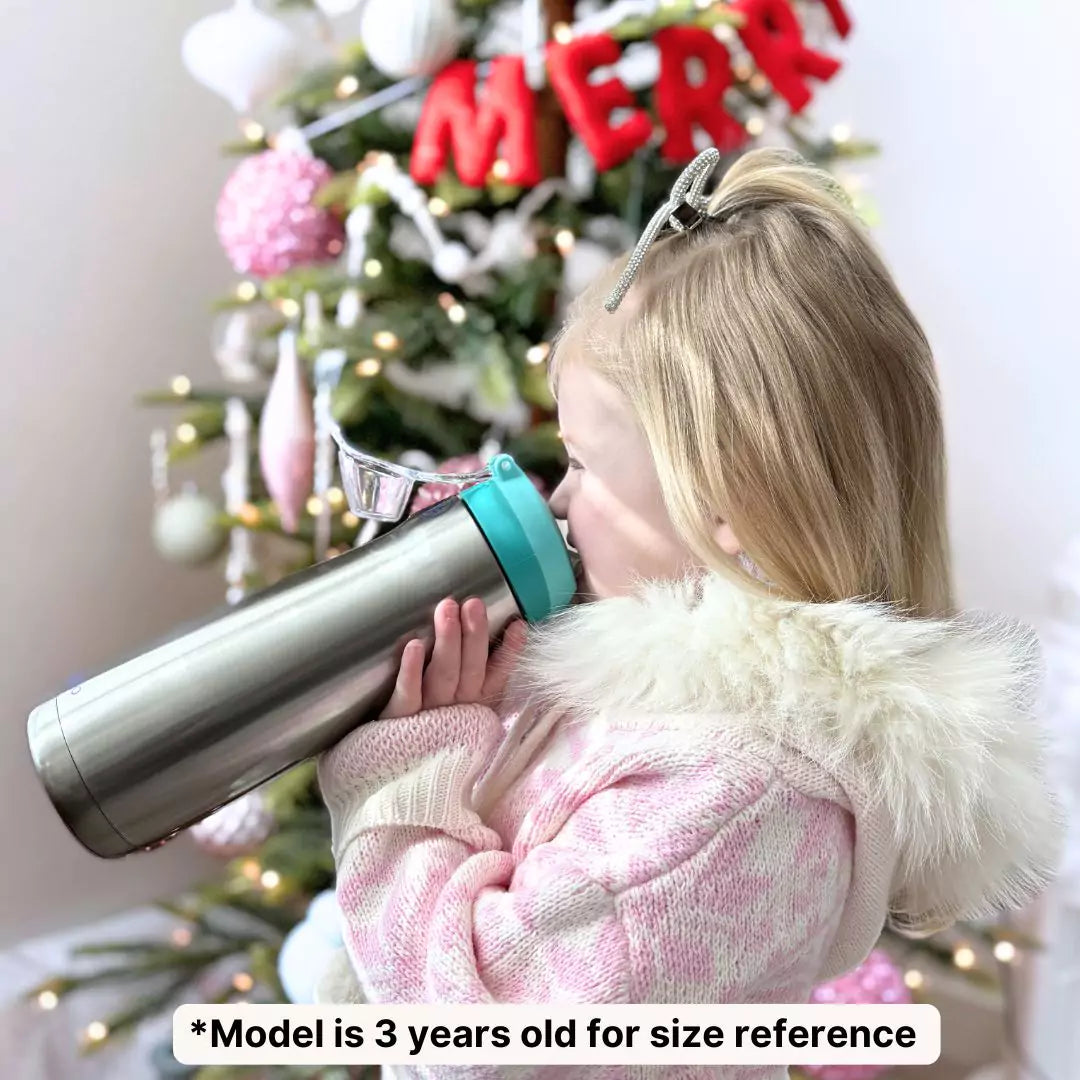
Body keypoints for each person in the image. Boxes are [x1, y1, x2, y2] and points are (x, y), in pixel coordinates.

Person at [313, 148, 1064, 1075]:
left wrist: (408, 785)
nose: (553, 501)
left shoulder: (734, 796)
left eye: (585, 466)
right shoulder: (653, 697)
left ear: (730, 507)